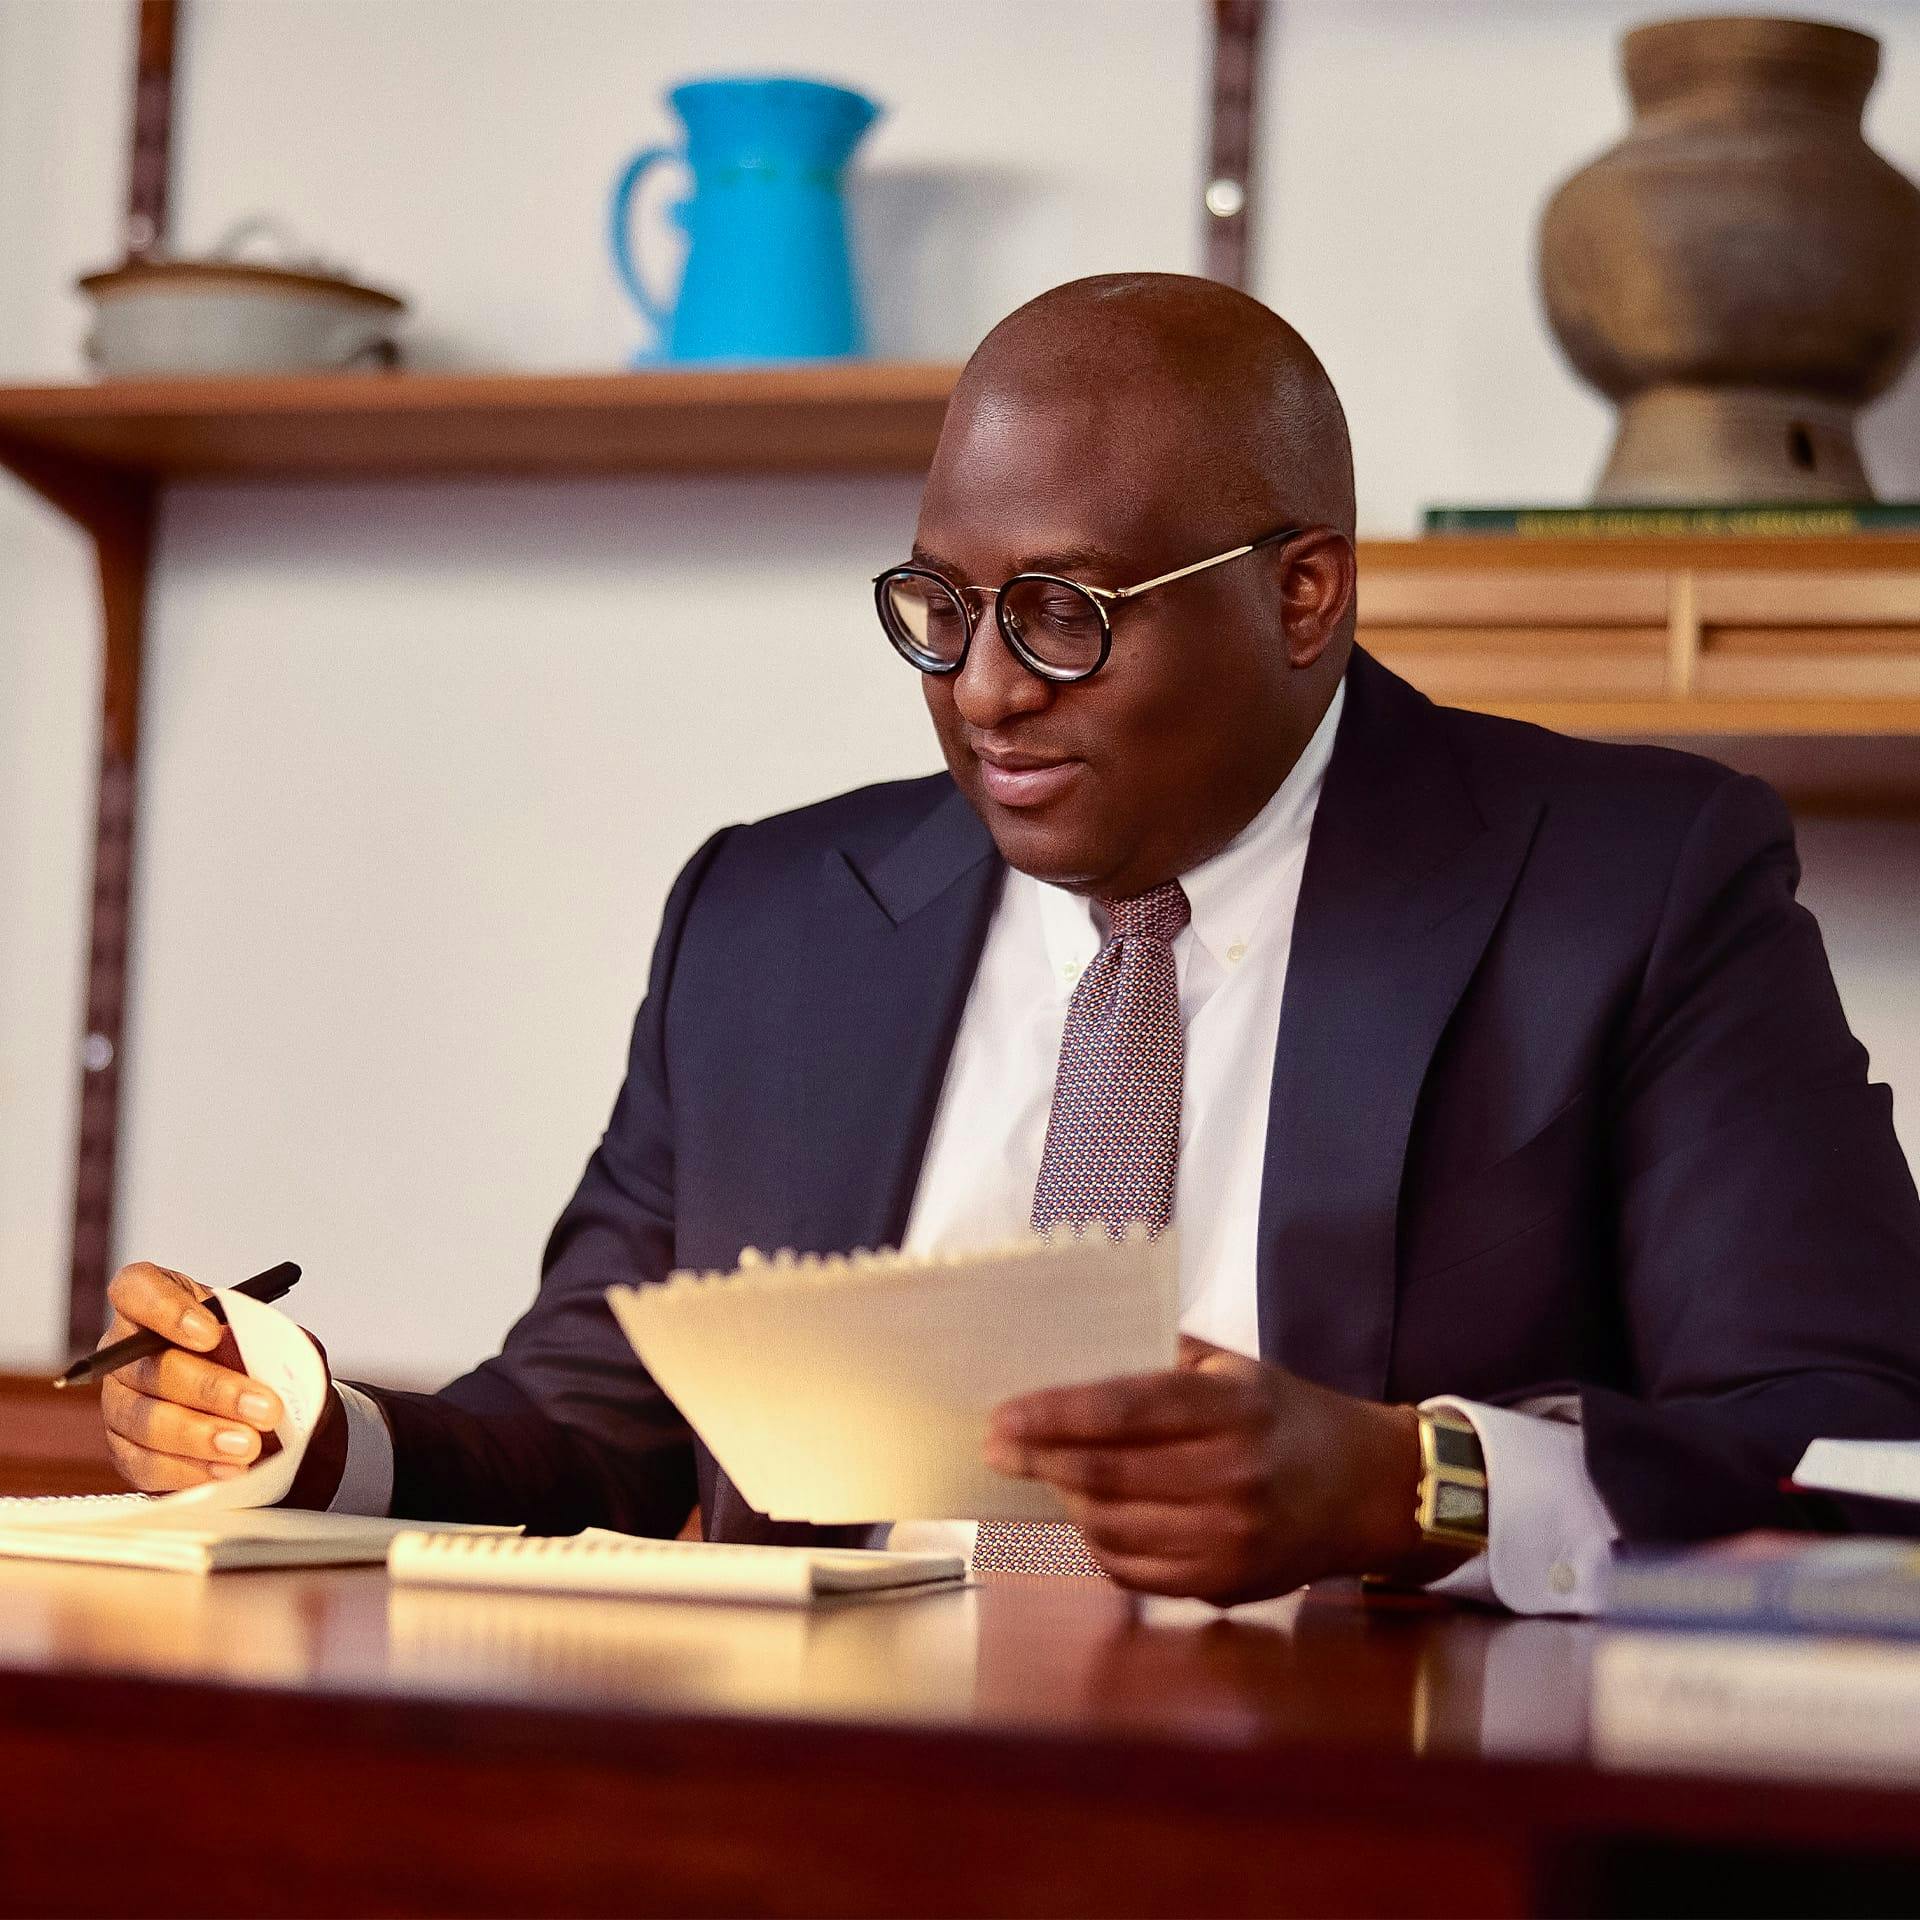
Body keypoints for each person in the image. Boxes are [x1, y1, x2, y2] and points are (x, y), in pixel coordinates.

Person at [95, 274, 1920, 1611]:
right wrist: (314, 1440)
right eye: (940, 607)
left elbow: (1846, 1440)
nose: (982, 691)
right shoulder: (771, 921)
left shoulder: (1629, 884)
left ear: (1303, 592)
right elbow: (597, 1431)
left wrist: (1412, 1484)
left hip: (1366, 1809)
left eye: (1065, 612)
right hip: (837, 1811)